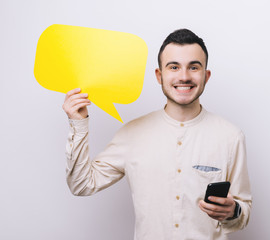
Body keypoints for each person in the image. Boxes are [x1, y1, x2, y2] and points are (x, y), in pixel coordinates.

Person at [63, 29, 252, 240]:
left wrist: (234, 210)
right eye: (174, 67)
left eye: (194, 67)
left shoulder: (230, 136)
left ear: (206, 76)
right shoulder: (132, 133)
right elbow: (82, 185)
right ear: (159, 75)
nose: (184, 76)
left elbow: (243, 212)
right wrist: (78, 124)